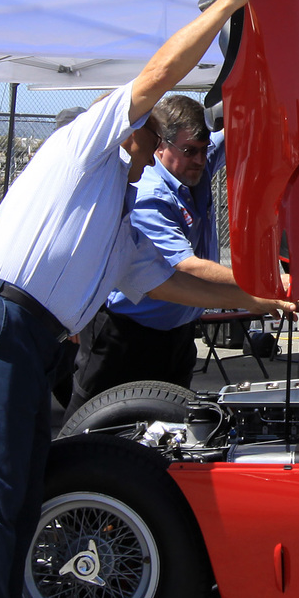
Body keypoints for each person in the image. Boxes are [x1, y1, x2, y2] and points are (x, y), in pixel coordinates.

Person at [0, 0, 298, 598]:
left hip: (30, 341)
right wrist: (229, 2)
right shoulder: (87, 146)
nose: (163, 141)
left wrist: (279, 287)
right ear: (140, 135)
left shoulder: (121, 223)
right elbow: (158, 77)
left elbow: (184, 283)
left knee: (17, 499)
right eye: (160, 133)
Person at [69, 94, 222, 410]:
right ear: (159, 147)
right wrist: (262, 285)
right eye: (190, 151)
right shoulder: (151, 195)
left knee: (169, 430)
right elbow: (187, 268)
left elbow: (235, 131)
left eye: (204, 151)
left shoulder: (194, 163)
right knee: (94, 428)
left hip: (177, 333)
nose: (200, 160)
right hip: (125, 336)